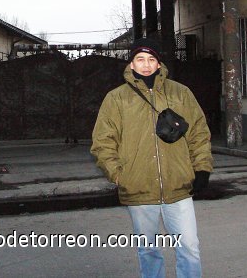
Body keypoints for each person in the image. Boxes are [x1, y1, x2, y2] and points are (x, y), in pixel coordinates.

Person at [91, 37, 213, 278]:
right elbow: (102, 142)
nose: (145, 65)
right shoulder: (117, 98)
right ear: (132, 64)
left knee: (189, 247)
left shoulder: (181, 93)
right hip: (139, 189)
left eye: (151, 59)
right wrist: (119, 175)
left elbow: (199, 133)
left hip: (178, 187)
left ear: (159, 64)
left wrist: (202, 170)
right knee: (148, 250)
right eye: (140, 59)